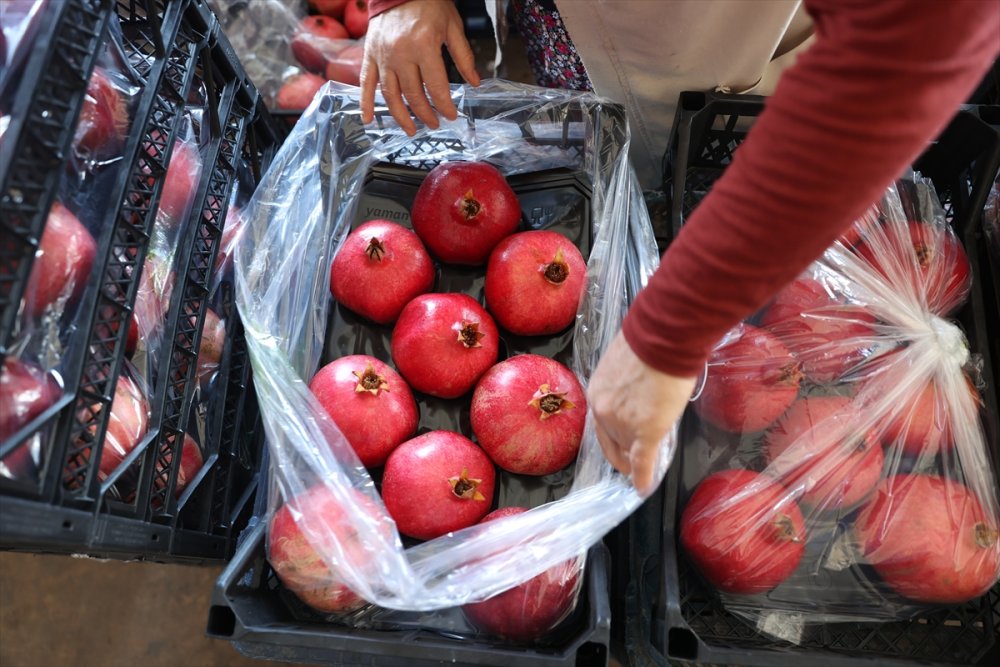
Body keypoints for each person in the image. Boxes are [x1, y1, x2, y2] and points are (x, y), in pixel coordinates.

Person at [361, 0, 1000, 495]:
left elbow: (921, 38)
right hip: (560, 32)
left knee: (674, 161)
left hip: (724, 59)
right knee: (589, 146)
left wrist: (674, 327)